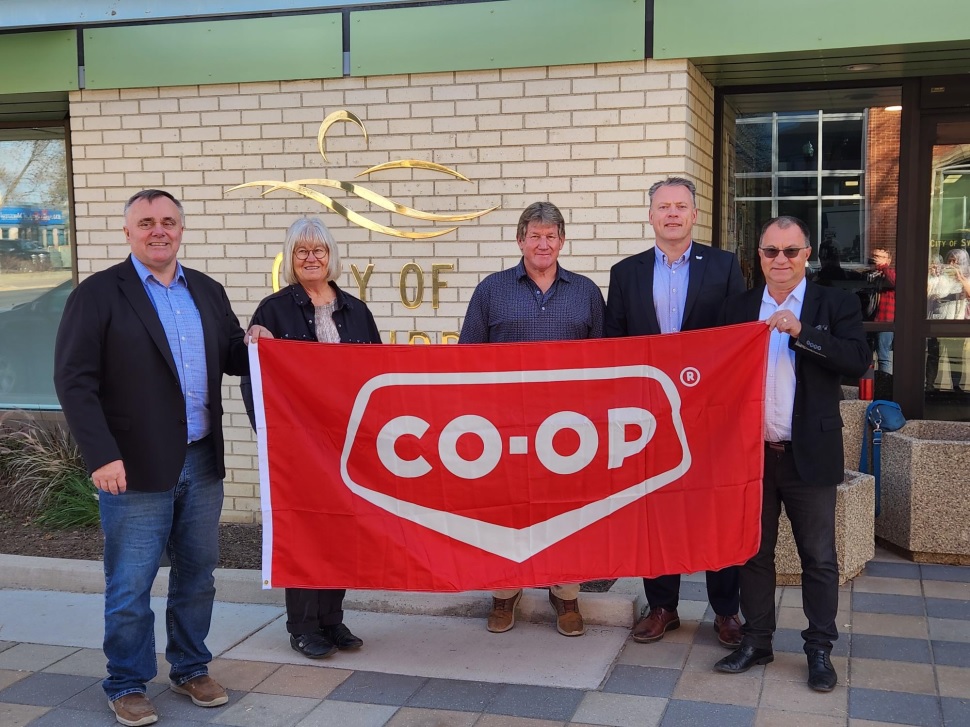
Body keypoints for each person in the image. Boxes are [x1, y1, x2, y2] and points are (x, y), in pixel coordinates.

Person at [53, 190, 266, 727]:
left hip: (200, 461)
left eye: (168, 222)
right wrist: (101, 455)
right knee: (131, 584)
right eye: (146, 222)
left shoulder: (208, 291)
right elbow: (75, 382)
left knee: (198, 576)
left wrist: (257, 341)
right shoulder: (99, 294)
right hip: (132, 464)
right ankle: (126, 682)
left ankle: (191, 667)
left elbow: (233, 358)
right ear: (127, 232)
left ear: (181, 230)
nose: (158, 231)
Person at [714, 216, 869, 692]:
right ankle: (757, 641)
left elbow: (856, 361)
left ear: (807, 256)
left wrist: (802, 330)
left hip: (809, 453)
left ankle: (819, 649)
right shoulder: (737, 307)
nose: (780, 260)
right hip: (752, 455)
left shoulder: (835, 303)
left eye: (790, 251)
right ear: (757, 257)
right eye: (770, 251)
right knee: (753, 554)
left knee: (818, 556)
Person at [604, 176, 745, 649]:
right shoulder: (625, 273)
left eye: (680, 206)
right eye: (663, 206)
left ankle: (727, 611)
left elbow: (737, 339)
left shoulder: (724, 267)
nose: (672, 214)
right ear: (650, 215)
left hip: (709, 412)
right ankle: (663, 605)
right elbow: (613, 346)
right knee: (655, 508)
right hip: (649, 415)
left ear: (694, 214)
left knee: (715, 506)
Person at [459, 200, 605, 637]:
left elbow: (604, 363)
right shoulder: (491, 290)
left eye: (551, 236)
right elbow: (468, 360)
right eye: (535, 235)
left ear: (562, 241)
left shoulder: (586, 292)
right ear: (519, 239)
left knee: (566, 510)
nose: (543, 243)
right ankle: (506, 591)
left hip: (568, 429)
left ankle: (565, 594)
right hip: (505, 427)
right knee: (507, 510)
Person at [241, 216, 381, 659]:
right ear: (291, 259)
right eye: (301, 251)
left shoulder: (356, 310)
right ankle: (303, 626)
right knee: (304, 530)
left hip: (346, 442)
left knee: (340, 530)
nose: (311, 258)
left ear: (331, 256)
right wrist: (270, 436)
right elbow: (254, 380)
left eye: (318, 250)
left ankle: (331, 620)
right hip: (298, 446)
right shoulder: (274, 310)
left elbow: (378, 373)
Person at [927, 248, 970, 392]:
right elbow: (926, 292)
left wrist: (961, 278)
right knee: (933, 356)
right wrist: (931, 275)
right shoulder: (941, 277)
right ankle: (930, 386)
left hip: (955, 323)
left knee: (956, 358)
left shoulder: (967, 277)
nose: (952, 264)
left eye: (956, 262)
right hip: (936, 321)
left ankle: (957, 388)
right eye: (950, 261)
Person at [869, 248, 896, 374]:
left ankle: (884, 385)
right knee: (865, 356)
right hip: (868, 321)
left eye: (880, 257)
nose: (876, 259)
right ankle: (867, 384)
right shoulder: (870, 275)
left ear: (888, 260)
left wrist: (883, 267)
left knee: (883, 356)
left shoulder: (890, 273)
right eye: (875, 256)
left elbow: (894, 281)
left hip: (885, 320)